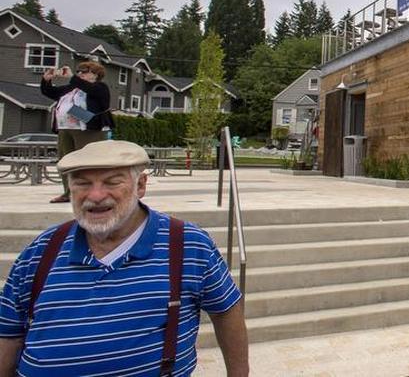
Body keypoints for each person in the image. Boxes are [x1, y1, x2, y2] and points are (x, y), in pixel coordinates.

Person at [0, 140, 249, 376]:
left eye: (112, 182)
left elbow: (226, 310)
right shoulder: (43, 250)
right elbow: (8, 331)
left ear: (141, 185)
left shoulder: (187, 244)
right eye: (82, 183)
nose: (96, 195)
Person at [40, 61, 114, 204]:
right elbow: (50, 92)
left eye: (84, 71)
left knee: (87, 162)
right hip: (65, 128)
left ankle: (92, 193)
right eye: (78, 71)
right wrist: (46, 81)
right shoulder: (72, 87)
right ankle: (69, 192)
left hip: (89, 130)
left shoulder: (100, 87)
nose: (80, 74)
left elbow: (91, 90)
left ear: (95, 74)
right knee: (66, 162)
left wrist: (72, 77)